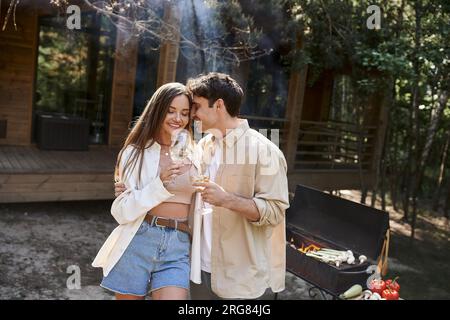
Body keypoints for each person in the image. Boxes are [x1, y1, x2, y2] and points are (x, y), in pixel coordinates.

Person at [115, 73, 290, 300]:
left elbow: (275, 211)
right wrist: (131, 191)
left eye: (195, 107)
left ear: (218, 105)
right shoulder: (202, 146)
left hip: (239, 275)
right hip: (198, 268)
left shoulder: (264, 151)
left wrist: (228, 200)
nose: (192, 115)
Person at [92, 82, 201, 300]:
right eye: (170, 111)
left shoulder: (196, 153)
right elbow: (121, 212)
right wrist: (158, 184)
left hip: (178, 245)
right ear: (157, 110)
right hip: (140, 239)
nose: (177, 118)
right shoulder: (134, 153)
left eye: (184, 113)